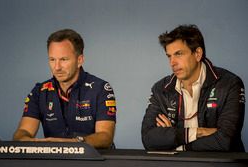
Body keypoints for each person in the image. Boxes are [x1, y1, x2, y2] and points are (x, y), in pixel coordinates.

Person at [141, 24, 245, 152]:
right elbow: (148, 139)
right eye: (169, 56)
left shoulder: (229, 84)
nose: (172, 62)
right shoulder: (161, 89)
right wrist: (198, 132)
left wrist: (175, 144)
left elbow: (225, 141)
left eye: (178, 54)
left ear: (197, 54)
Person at [13, 29, 117, 149]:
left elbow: (105, 137)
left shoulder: (101, 89)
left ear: (80, 60)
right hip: (54, 161)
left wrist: (68, 144)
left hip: (95, 161)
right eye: (52, 59)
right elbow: (22, 132)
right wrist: (33, 143)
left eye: (63, 59)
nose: (57, 67)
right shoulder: (39, 92)